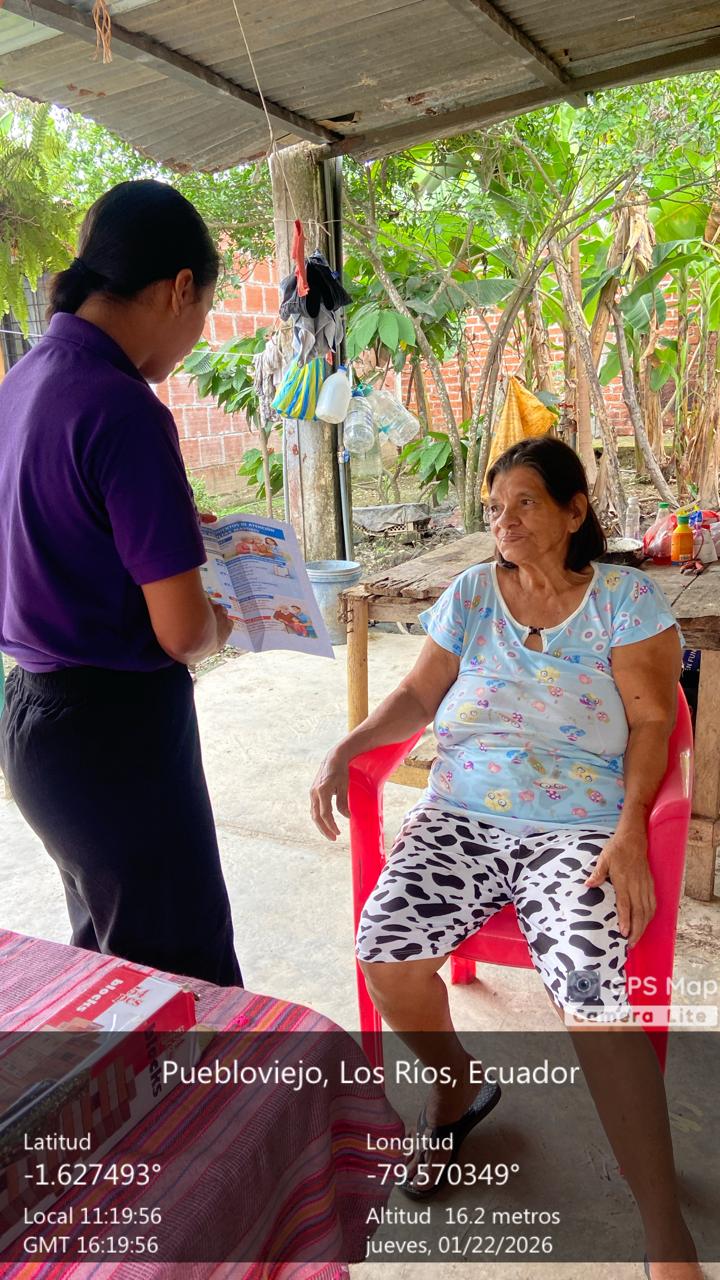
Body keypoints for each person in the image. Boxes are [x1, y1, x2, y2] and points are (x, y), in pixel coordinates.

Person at [311, 436, 702, 1280]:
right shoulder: (471, 594)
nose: (504, 519)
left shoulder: (624, 600)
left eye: (525, 502)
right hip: (463, 815)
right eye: (495, 507)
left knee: (592, 991)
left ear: (573, 510)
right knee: (384, 948)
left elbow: (652, 723)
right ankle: (456, 1086)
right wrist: (348, 746)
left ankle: (664, 1230)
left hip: (577, 826)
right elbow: (418, 694)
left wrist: (631, 827)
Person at [0, 180, 242, 988]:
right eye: (205, 310)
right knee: (187, 988)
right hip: (116, 739)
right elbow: (183, 632)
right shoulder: (123, 407)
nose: (196, 334)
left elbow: (53, 527)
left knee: (117, 970)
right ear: (180, 288)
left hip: (36, 727)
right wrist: (229, 619)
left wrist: (166, 527)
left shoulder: (25, 382)